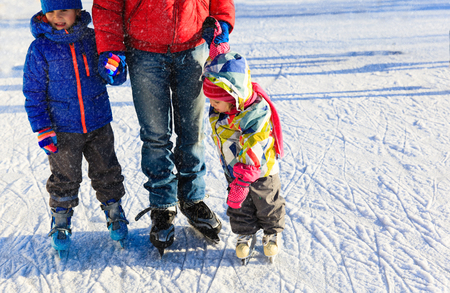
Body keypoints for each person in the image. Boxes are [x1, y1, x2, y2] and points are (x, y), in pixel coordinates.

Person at [92, 0, 235, 255]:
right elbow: (107, 4)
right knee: (155, 136)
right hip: (144, 51)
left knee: (192, 131)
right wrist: (112, 48)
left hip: (193, 47)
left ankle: (192, 198)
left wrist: (221, 21)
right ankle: (162, 205)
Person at [23, 0, 129, 257]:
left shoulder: (94, 39)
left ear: (78, 11)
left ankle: (114, 213)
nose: (57, 16)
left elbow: (114, 74)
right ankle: (60, 221)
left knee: (107, 171)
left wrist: (115, 69)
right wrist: (43, 128)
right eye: (51, 12)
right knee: (64, 177)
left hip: (98, 122)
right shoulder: (40, 48)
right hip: (62, 129)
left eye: (64, 10)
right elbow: (33, 93)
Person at [202, 47, 286, 264]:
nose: (211, 105)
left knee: (266, 201)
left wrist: (242, 180)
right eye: (210, 100)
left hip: (261, 170)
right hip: (234, 169)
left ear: (233, 96)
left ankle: (272, 233)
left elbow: (253, 147)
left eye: (216, 101)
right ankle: (245, 233)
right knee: (239, 206)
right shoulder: (224, 108)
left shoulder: (255, 113)